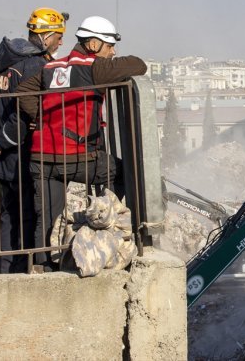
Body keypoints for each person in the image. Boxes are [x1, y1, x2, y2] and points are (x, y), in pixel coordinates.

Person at [16, 16, 147, 270]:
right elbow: (138, 65)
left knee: (47, 217)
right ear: (94, 44)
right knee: (124, 173)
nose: (113, 52)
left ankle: (43, 268)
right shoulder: (94, 68)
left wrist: (40, 118)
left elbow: (23, 92)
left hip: (41, 155)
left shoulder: (51, 68)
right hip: (78, 157)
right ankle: (102, 225)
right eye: (109, 46)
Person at [0, 8, 68, 273]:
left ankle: (6, 270)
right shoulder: (36, 65)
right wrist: (2, 140)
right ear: (47, 36)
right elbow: (25, 113)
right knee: (26, 215)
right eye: (59, 37)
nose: (61, 42)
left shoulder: (3, 64)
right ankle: (21, 271)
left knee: (6, 216)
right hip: (22, 156)